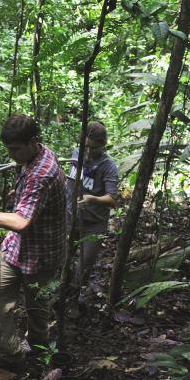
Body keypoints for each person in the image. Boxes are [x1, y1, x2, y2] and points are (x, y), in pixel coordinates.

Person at [0, 114, 67, 372]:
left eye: (15, 149)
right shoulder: (35, 156)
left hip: (41, 252)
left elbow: (21, 222)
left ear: (32, 141)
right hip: (17, 247)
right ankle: (12, 358)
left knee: (36, 306)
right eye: (8, 149)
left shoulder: (43, 172)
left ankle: (39, 357)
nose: (12, 155)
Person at [66, 122, 118, 318]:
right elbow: (68, 181)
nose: (87, 152)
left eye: (93, 147)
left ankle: (76, 299)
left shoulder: (108, 165)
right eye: (85, 146)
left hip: (93, 224)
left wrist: (91, 199)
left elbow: (112, 199)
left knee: (84, 265)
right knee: (64, 258)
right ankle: (63, 293)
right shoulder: (75, 152)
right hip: (70, 218)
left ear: (102, 144)